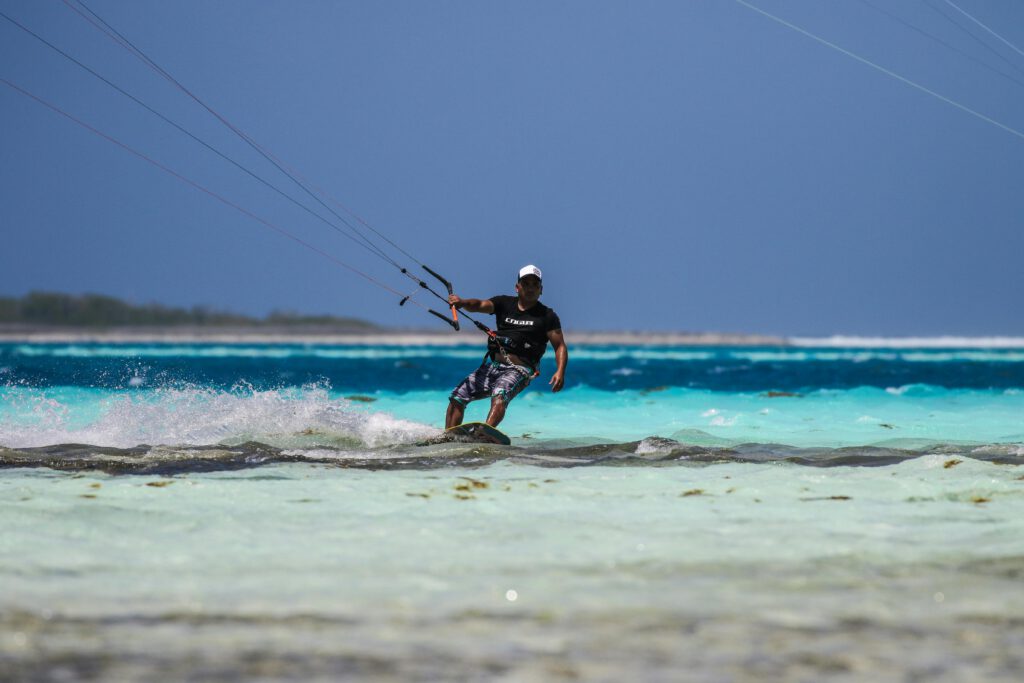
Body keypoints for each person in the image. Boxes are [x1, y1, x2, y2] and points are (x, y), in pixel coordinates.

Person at [445, 264, 568, 429]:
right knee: (457, 396)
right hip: (493, 366)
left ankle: (486, 432)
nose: (530, 288)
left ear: (541, 290)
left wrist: (560, 371)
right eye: (526, 284)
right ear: (517, 287)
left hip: (520, 369)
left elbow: (559, 346)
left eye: (535, 285)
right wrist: (462, 302)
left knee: (500, 394)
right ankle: (449, 435)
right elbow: (479, 305)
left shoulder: (547, 316)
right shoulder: (503, 303)